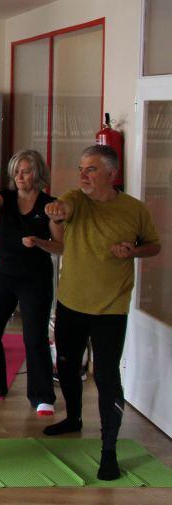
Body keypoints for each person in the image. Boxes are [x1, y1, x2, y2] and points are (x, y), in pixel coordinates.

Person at [43, 144, 161, 480]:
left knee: (107, 375)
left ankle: (108, 450)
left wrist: (133, 251)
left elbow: (154, 245)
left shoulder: (134, 210)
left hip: (112, 307)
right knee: (67, 365)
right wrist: (56, 214)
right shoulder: (76, 199)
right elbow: (62, 221)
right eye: (81, 168)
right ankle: (73, 418)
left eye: (91, 169)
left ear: (112, 174)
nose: (83, 175)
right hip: (71, 301)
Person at [0, 150, 60, 417]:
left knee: (34, 338)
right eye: (17, 171)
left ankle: (42, 396)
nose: (20, 176)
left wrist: (39, 242)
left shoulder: (49, 205)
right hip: (4, 275)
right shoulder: (5, 198)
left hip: (35, 279)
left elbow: (60, 246)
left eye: (26, 171)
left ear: (38, 174)